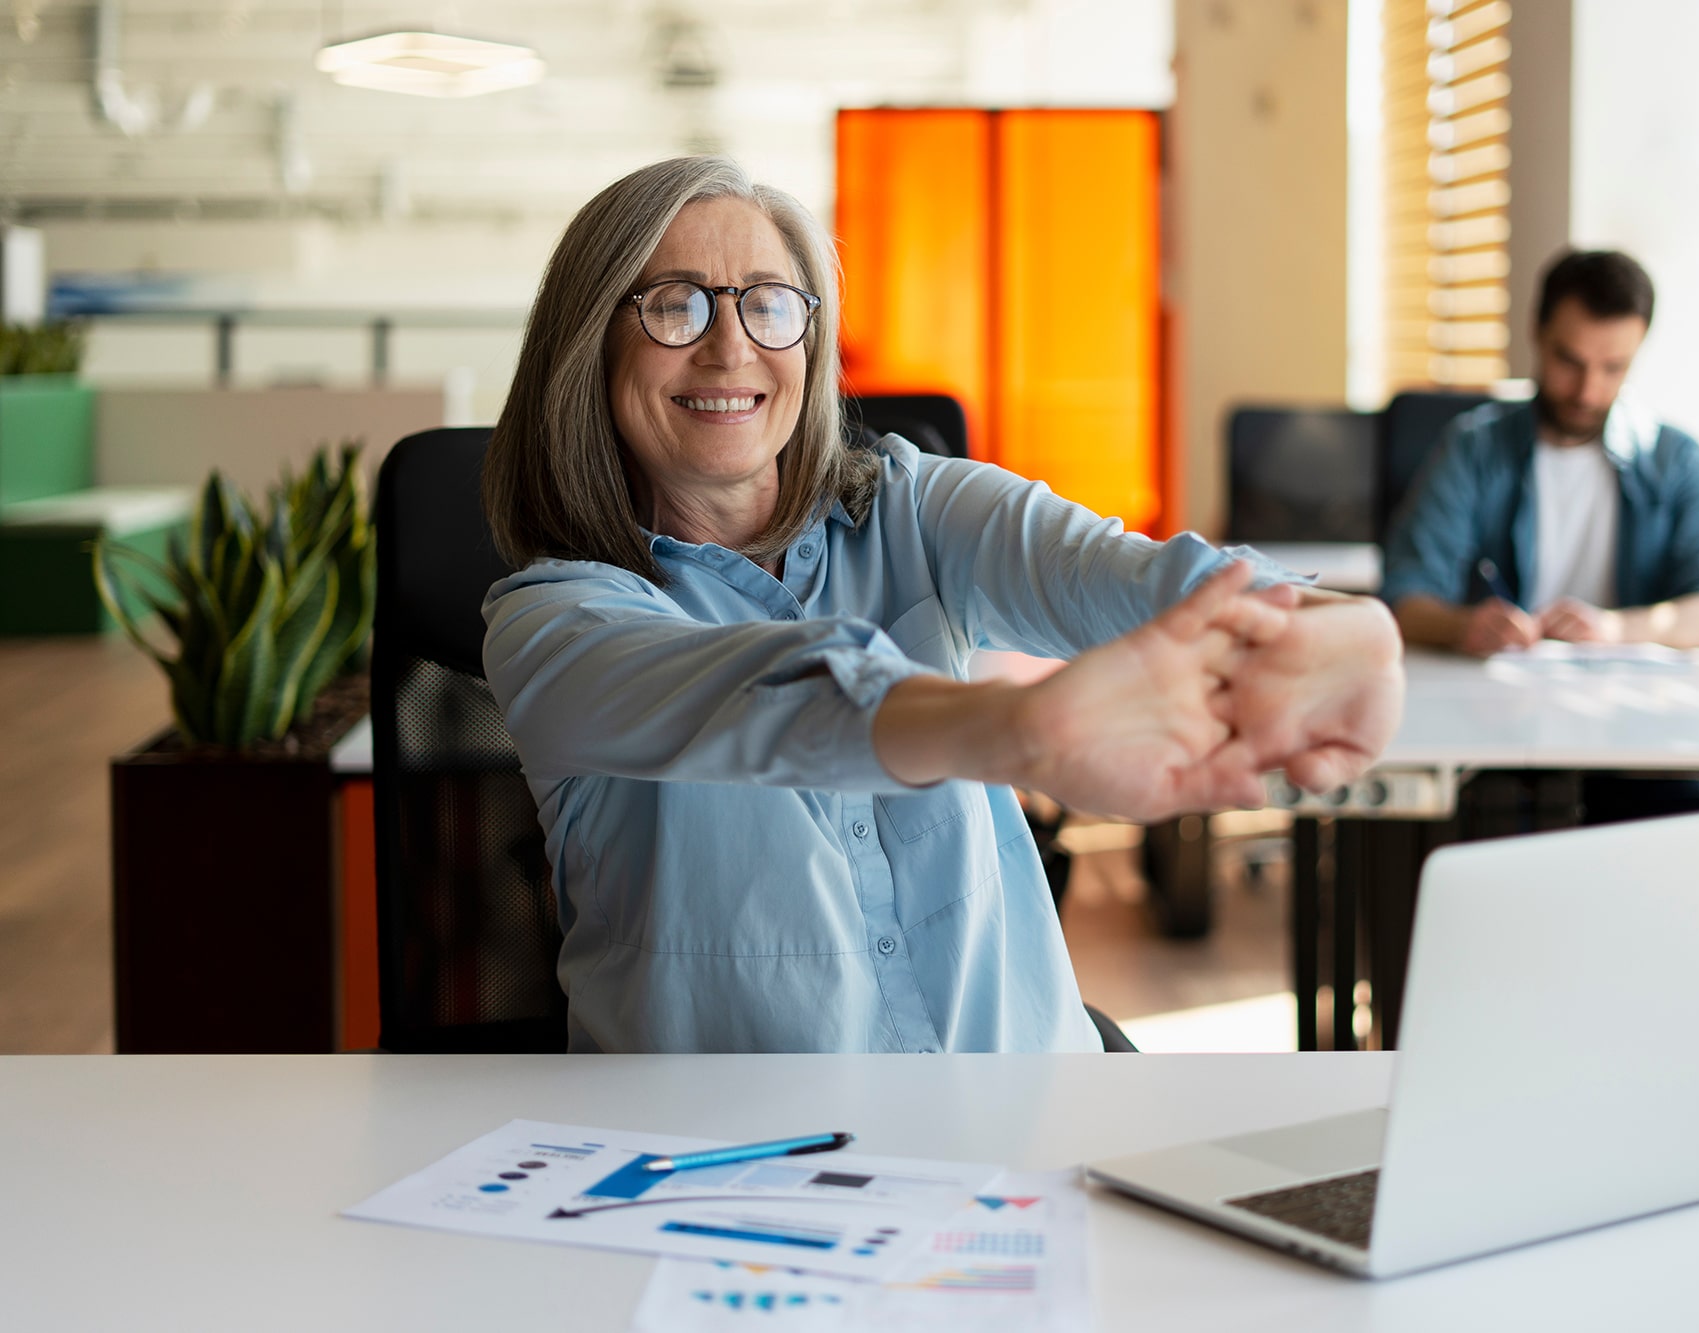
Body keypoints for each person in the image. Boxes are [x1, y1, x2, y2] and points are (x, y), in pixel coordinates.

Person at [480, 156, 1404, 1054]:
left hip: (1031, 1125)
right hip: (743, 1177)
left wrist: (1319, 629)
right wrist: (1021, 727)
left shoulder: (912, 507)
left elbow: (1112, 572)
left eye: (769, 303)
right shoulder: (552, 624)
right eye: (675, 305)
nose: (732, 347)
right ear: (591, 347)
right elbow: (770, 696)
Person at [1379, 248, 1699, 823]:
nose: (1587, 390)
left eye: (1613, 368)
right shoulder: (1473, 450)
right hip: (1500, 738)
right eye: (1569, 361)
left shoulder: (1674, 460)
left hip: (1639, 734)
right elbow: (1404, 596)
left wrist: (1612, 630)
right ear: (1536, 332)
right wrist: (1465, 626)